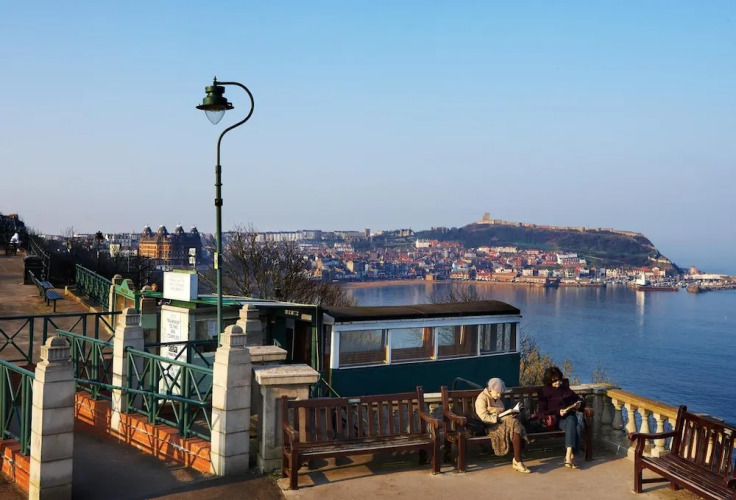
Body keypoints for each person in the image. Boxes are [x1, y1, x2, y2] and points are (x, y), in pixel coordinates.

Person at [475, 377, 530, 473]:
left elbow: (502, 413)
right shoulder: (481, 398)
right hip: (491, 426)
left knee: (514, 423)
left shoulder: (498, 400)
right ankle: (517, 461)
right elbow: (483, 417)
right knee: (515, 424)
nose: (499, 395)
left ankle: (518, 461)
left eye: (500, 393)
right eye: (497, 393)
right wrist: (497, 418)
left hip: (502, 423)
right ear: (490, 389)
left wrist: (510, 414)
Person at [537, 366, 585, 469]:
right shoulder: (544, 392)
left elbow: (578, 399)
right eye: (554, 381)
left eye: (559, 379)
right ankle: (572, 455)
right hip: (555, 420)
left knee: (572, 420)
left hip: (568, 417)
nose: (558, 382)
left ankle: (568, 456)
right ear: (549, 380)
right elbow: (541, 412)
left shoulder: (565, 389)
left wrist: (579, 405)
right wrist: (558, 412)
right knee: (575, 425)